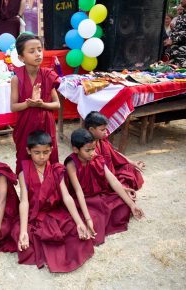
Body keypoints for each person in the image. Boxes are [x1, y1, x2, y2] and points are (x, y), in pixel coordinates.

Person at [11, 131, 94, 273]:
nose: (42, 157)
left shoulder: (56, 170)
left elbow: (66, 196)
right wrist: (24, 231)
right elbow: (24, 201)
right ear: (28, 151)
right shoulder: (23, 172)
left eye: (46, 152)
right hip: (35, 216)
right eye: (37, 152)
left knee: (74, 229)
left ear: (51, 150)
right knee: (19, 233)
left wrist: (80, 222)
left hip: (55, 213)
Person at [65, 128, 145, 237]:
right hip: (81, 199)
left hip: (98, 194)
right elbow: (78, 192)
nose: (92, 153)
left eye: (93, 149)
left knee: (123, 204)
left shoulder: (97, 158)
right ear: (75, 150)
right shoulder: (71, 164)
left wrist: (131, 205)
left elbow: (112, 180)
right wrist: (88, 219)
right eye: (87, 150)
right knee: (93, 219)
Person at [10, 33, 60, 174]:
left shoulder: (47, 75)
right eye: (32, 51)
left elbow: (57, 105)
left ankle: (51, 187)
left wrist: (41, 104)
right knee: (24, 156)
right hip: (25, 125)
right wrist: (28, 104)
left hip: (46, 124)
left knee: (48, 156)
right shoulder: (16, 79)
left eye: (39, 49)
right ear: (21, 57)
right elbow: (13, 107)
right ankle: (27, 189)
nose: (38, 54)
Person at [84, 111, 144, 194]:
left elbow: (114, 152)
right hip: (100, 178)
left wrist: (133, 162)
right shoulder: (88, 148)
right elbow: (101, 170)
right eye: (102, 129)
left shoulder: (102, 140)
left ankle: (121, 187)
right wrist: (120, 186)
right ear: (91, 130)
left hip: (110, 172)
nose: (106, 132)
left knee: (131, 169)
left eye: (106, 128)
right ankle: (121, 188)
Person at [164, 0, 186, 68]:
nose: (181, 0)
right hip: (175, 53)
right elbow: (180, 30)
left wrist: (173, 39)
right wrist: (170, 38)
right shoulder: (182, 15)